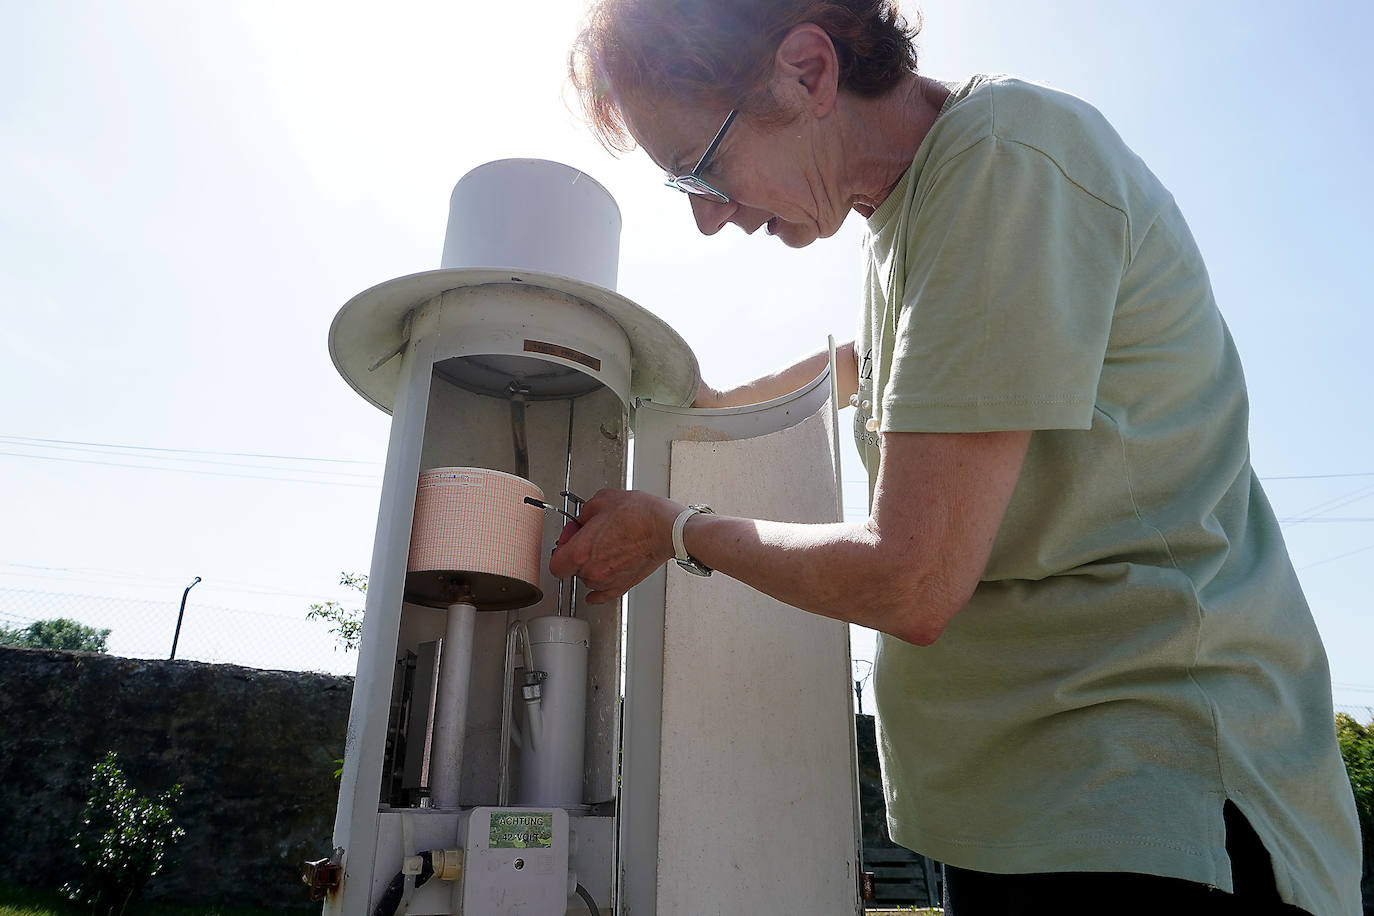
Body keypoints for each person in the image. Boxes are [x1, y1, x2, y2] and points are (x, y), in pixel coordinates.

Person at [552, 1, 1363, 913]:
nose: (708, 217)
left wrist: (677, 531)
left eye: (700, 167)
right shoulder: (912, 214)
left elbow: (912, 578)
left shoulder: (1005, 159)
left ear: (810, 71)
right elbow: (874, 362)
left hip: (1139, 800)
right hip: (1021, 807)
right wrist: (710, 411)